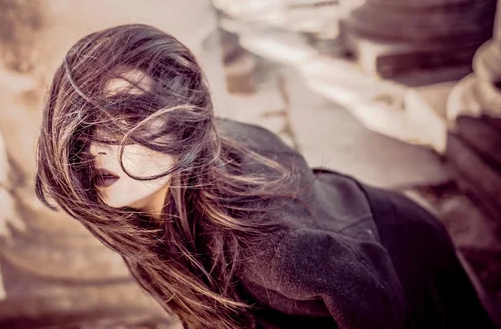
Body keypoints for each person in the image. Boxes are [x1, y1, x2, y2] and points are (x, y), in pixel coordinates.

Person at [35, 24, 495, 329]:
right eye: (88, 119)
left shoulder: (268, 252)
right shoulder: (144, 195)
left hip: (401, 253)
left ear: (184, 128)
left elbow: (364, 286)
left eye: (129, 118)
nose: (95, 147)